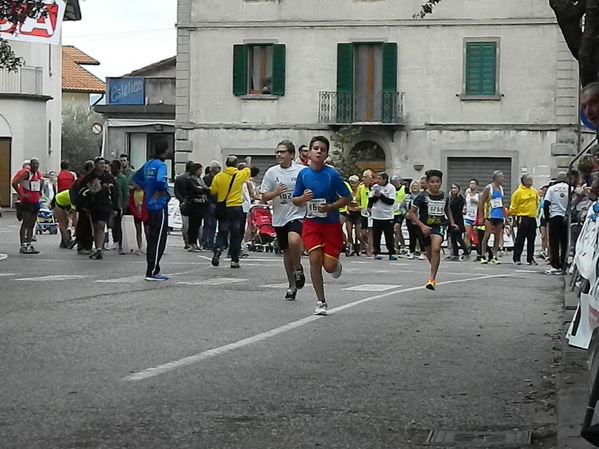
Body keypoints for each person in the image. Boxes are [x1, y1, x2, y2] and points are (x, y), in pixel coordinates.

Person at [292, 136, 351, 316]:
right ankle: (321, 301)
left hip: (331, 224)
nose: (318, 152)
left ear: (325, 155)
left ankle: (335, 265)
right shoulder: (303, 174)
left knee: (329, 266)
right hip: (311, 223)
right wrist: (303, 199)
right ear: (309, 152)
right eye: (315, 148)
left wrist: (331, 206)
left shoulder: (331, 175)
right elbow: (295, 199)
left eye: (322, 150)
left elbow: (347, 197)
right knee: (314, 260)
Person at [260, 140, 307, 300]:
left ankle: (298, 268)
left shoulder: (301, 171)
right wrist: (275, 193)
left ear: (291, 155)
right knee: (286, 252)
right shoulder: (271, 172)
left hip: (297, 214)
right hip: (280, 217)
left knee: (294, 241)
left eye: (282, 152)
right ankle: (292, 285)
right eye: (277, 152)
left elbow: (311, 188)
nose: (279, 155)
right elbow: (263, 196)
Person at [408, 169, 457, 290]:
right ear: (428, 183)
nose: (435, 184)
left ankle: (432, 279)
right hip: (424, 227)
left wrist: (452, 222)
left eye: (438, 182)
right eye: (432, 182)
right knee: (429, 253)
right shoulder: (422, 197)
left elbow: (447, 209)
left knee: (436, 249)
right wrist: (422, 226)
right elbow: (411, 214)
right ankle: (433, 267)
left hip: (438, 226)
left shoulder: (444, 196)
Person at [133, 140, 172, 281]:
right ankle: (153, 271)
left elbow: (135, 178)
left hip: (149, 205)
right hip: (159, 206)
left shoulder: (148, 163)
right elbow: (161, 180)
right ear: (165, 150)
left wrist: (147, 188)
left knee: (152, 238)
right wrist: (160, 191)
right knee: (160, 239)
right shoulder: (161, 165)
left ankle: (154, 269)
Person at [210, 155, 252, 268]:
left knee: (222, 231)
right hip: (236, 207)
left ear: (226, 164)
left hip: (223, 207)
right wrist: (248, 161)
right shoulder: (240, 174)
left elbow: (213, 191)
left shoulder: (219, 176)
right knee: (236, 234)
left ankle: (218, 249)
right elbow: (248, 170)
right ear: (236, 164)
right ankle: (234, 260)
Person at [78, 157, 118, 260]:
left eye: (104, 164)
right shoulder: (89, 177)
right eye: (100, 164)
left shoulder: (109, 177)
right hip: (93, 205)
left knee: (101, 225)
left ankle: (99, 249)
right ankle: (97, 248)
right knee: (95, 227)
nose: (103, 166)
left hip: (105, 205)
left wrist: (115, 207)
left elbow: (115, 192)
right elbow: (81, 192)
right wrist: (84, 202)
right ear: (95, 165)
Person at [11, 158, 44, 254]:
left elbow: (40, 183)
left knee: (32, 224)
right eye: (34, 164)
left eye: (37, 164)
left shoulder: (37, 174)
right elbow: (14, 183)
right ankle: (23, 246)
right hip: (27, 202)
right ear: (30, 165)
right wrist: (21, 194)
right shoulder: (27, 174)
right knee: (25, 223)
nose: (36, 166)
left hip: (35, 202)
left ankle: (29, 244)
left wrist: (40, 192)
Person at [509, 174, 540, 265]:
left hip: (532, 217)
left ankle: (530, 258)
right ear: (524, 181)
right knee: (520, 238)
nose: (531, 181)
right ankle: (517, 258)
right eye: (529, 180)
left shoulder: (534, 191)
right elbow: (513, 206)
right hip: (522, 217)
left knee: (532, 238)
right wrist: (514, 218)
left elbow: (537, 203)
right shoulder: (518, 192)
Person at [543, 172, 570, 275]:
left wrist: (547, 218)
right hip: (566, 217)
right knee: (564, 242)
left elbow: (546, 204)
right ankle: (563, 264)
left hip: (555, 216)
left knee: (554, 242)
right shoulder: (569, 188)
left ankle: (555, 264)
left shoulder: (552, 189)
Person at [368, 172, 397, 260]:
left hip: (387, 215)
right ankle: (376, 251)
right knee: (376, 235)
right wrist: (376, 196)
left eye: (380, 178)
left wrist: (381, 196)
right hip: (376, 215)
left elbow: (390, 201)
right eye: (378, 178)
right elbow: (371, 200)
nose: (378, 180)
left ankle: (391, 252)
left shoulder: (391, 188)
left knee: (389, 235)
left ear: (385, 179)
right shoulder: (375, 187)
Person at [478, 171, 506, 264]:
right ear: (496, 178)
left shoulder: (501, 188)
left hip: (499, 215)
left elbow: (502, 203)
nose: (503, 179)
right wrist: (481, 217)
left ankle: (494, 256)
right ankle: (482, 255)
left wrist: (505, 216)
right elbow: (482, 202)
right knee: (487, 234)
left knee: (498, 236)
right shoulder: (488, 188)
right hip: (490, 215)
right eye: (501, 177)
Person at [185, 163, 210, 252]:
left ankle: (196, 243)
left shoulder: (200, 179)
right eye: (199, 170)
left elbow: (205, 188)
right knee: (193, 224)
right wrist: (203, 189)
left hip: (201, 204)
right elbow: (196, 189)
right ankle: (191, 243)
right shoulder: (190, 179)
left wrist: (204, 189)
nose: (201, 172)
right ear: (195, 170)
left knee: (198, 224)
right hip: (194, 204)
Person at [402, 181, 426, 260]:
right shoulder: (407, 197)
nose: (415, 187)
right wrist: (405, 214)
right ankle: (411, 252)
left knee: (421, 236)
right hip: (410, 219)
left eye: (416, 186)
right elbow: (401, 207)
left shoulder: (423, 196)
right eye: (413, 186)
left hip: (420, 219)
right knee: (412, 236)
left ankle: (422, 252)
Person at [110, 159, 129, 255]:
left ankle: (120, 244)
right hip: (109, 204)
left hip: (118, 204)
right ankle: (114, 241)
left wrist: (123, 206)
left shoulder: (122, 178)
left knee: (118, 225)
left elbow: (125, 193)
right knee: (112, 225)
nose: (111, 169)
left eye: (113, 167)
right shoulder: (109, 177)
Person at [202, 160, 221, 250]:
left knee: (212, 224)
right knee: (209, 223)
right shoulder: (208, 178)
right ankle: (207, 242)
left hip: (214, 203)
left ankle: (209, 241)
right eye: (218, 168)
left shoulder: (215, 177)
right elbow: (207, 191)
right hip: (210, 203)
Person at [174, 161, 194, 249]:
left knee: (185, 223)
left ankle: (186, 241)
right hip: (193, 202)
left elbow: (176, 192)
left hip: (183, 203)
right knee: (194, 223)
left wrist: (182, 200)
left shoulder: (179, 178)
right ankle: (192, 241)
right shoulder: (193, 178)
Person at [448, 183, 469, 260]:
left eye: (455, 188)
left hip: (458, 220)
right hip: (451, 220)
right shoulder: (450, 198)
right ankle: (455, 254)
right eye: (452, 188)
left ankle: (466, 252)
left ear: (458, 189)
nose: (453, 189)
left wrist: (455, 223)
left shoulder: (460, 198)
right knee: (453, 238)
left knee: (459, 238)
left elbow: (459, 210)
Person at [357, 169, 375, 257]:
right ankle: (366, 245)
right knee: (363, 233)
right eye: (363, 177)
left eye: (365, 177)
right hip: (364, 213)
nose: (363, 178)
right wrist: (359, 206)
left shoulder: (374, 187)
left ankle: (370, 249)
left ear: (370, 178)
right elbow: (357, 199)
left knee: (371, 232)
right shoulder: (361, 188)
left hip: (373, 213)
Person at [345, 174, 362, 256]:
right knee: (349, 231)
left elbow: (363, 201)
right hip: (350, 213)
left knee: (358, 234)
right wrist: (348, 208)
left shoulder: (360, 190)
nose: (353, 185)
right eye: (351, 183)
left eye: (354, 183)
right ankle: (350, 247)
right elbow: (345, 201)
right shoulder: (348, 190)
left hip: (358, 213)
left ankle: (362, 246)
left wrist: (359, 208)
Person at [463, 179, 480, 258]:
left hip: (476, 217)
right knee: (467, 233)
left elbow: (481, 205)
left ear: (476, 185)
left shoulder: (478, 195)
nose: (471, 185)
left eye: (473, 184)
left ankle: (479, 250)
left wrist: (476, 202)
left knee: (476, 234)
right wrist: (465, 208)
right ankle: (466, 249)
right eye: (470, 184)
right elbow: (465, 203)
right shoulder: (467, 194)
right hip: (468, 216)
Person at [391, 175, 407, 254]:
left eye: (396, 182)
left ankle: (396, 246)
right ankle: (403, 245)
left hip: (400, 212)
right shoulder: (391, 189)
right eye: (393, 182)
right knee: (397, 231)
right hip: (392, 212)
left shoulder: (404, 189)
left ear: (400, 181)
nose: (395, 184)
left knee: (396, 228)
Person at [538, 185, 549, 260]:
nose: (544, 192)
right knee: (543, 236)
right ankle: (543, 250)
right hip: (542, 217)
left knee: (548, 236)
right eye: (543, 190)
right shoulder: (540, 199)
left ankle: (548, 251)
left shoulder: (549, 199)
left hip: (547, 217)